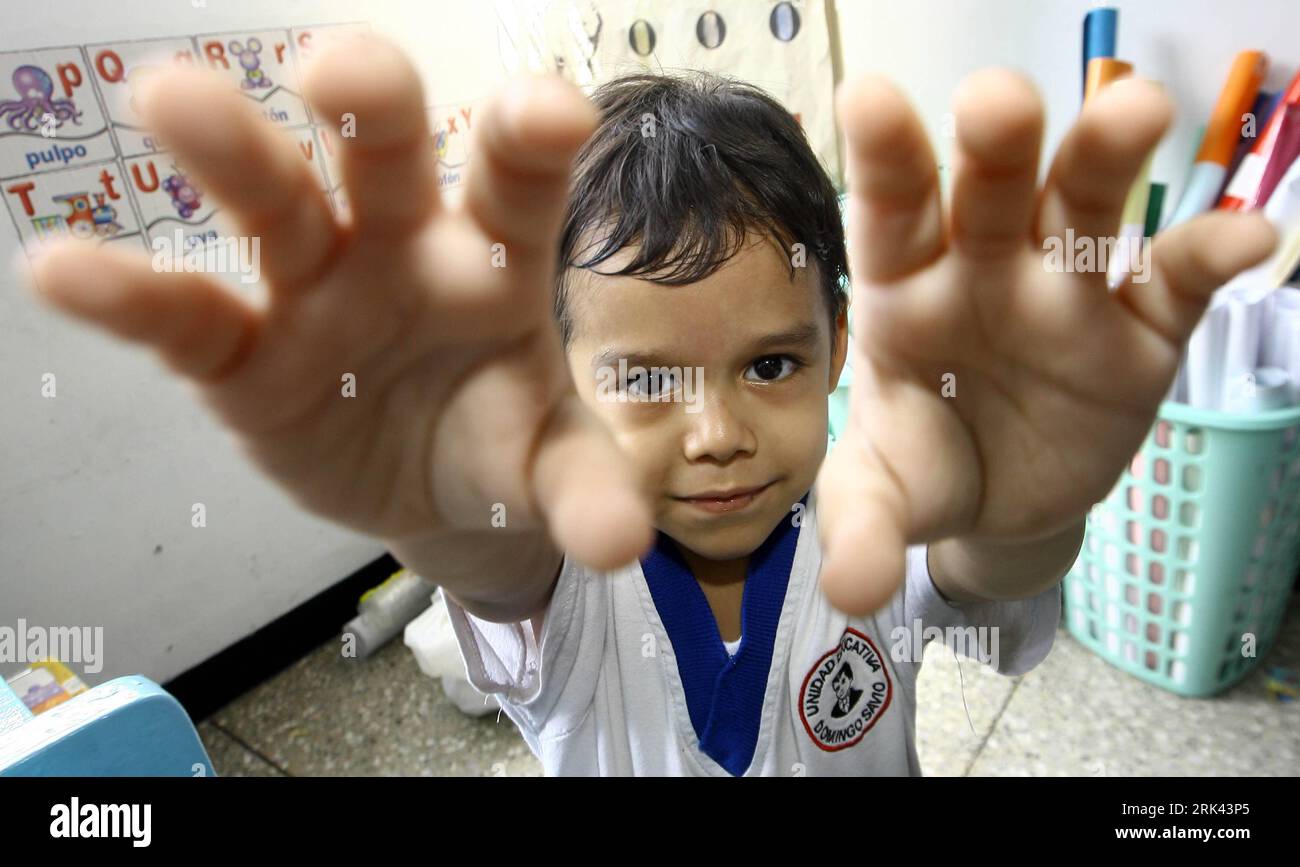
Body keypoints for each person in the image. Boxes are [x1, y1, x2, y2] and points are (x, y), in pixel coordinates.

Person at [21, 33, 1277, 776]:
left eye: (770, 364)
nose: (717, 430)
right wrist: (433, 505)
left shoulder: (869, 526)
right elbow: (493, 564)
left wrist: (1025, 505)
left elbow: (986, 571)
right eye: (642, 378)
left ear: (841, 349)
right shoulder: (563, 577)